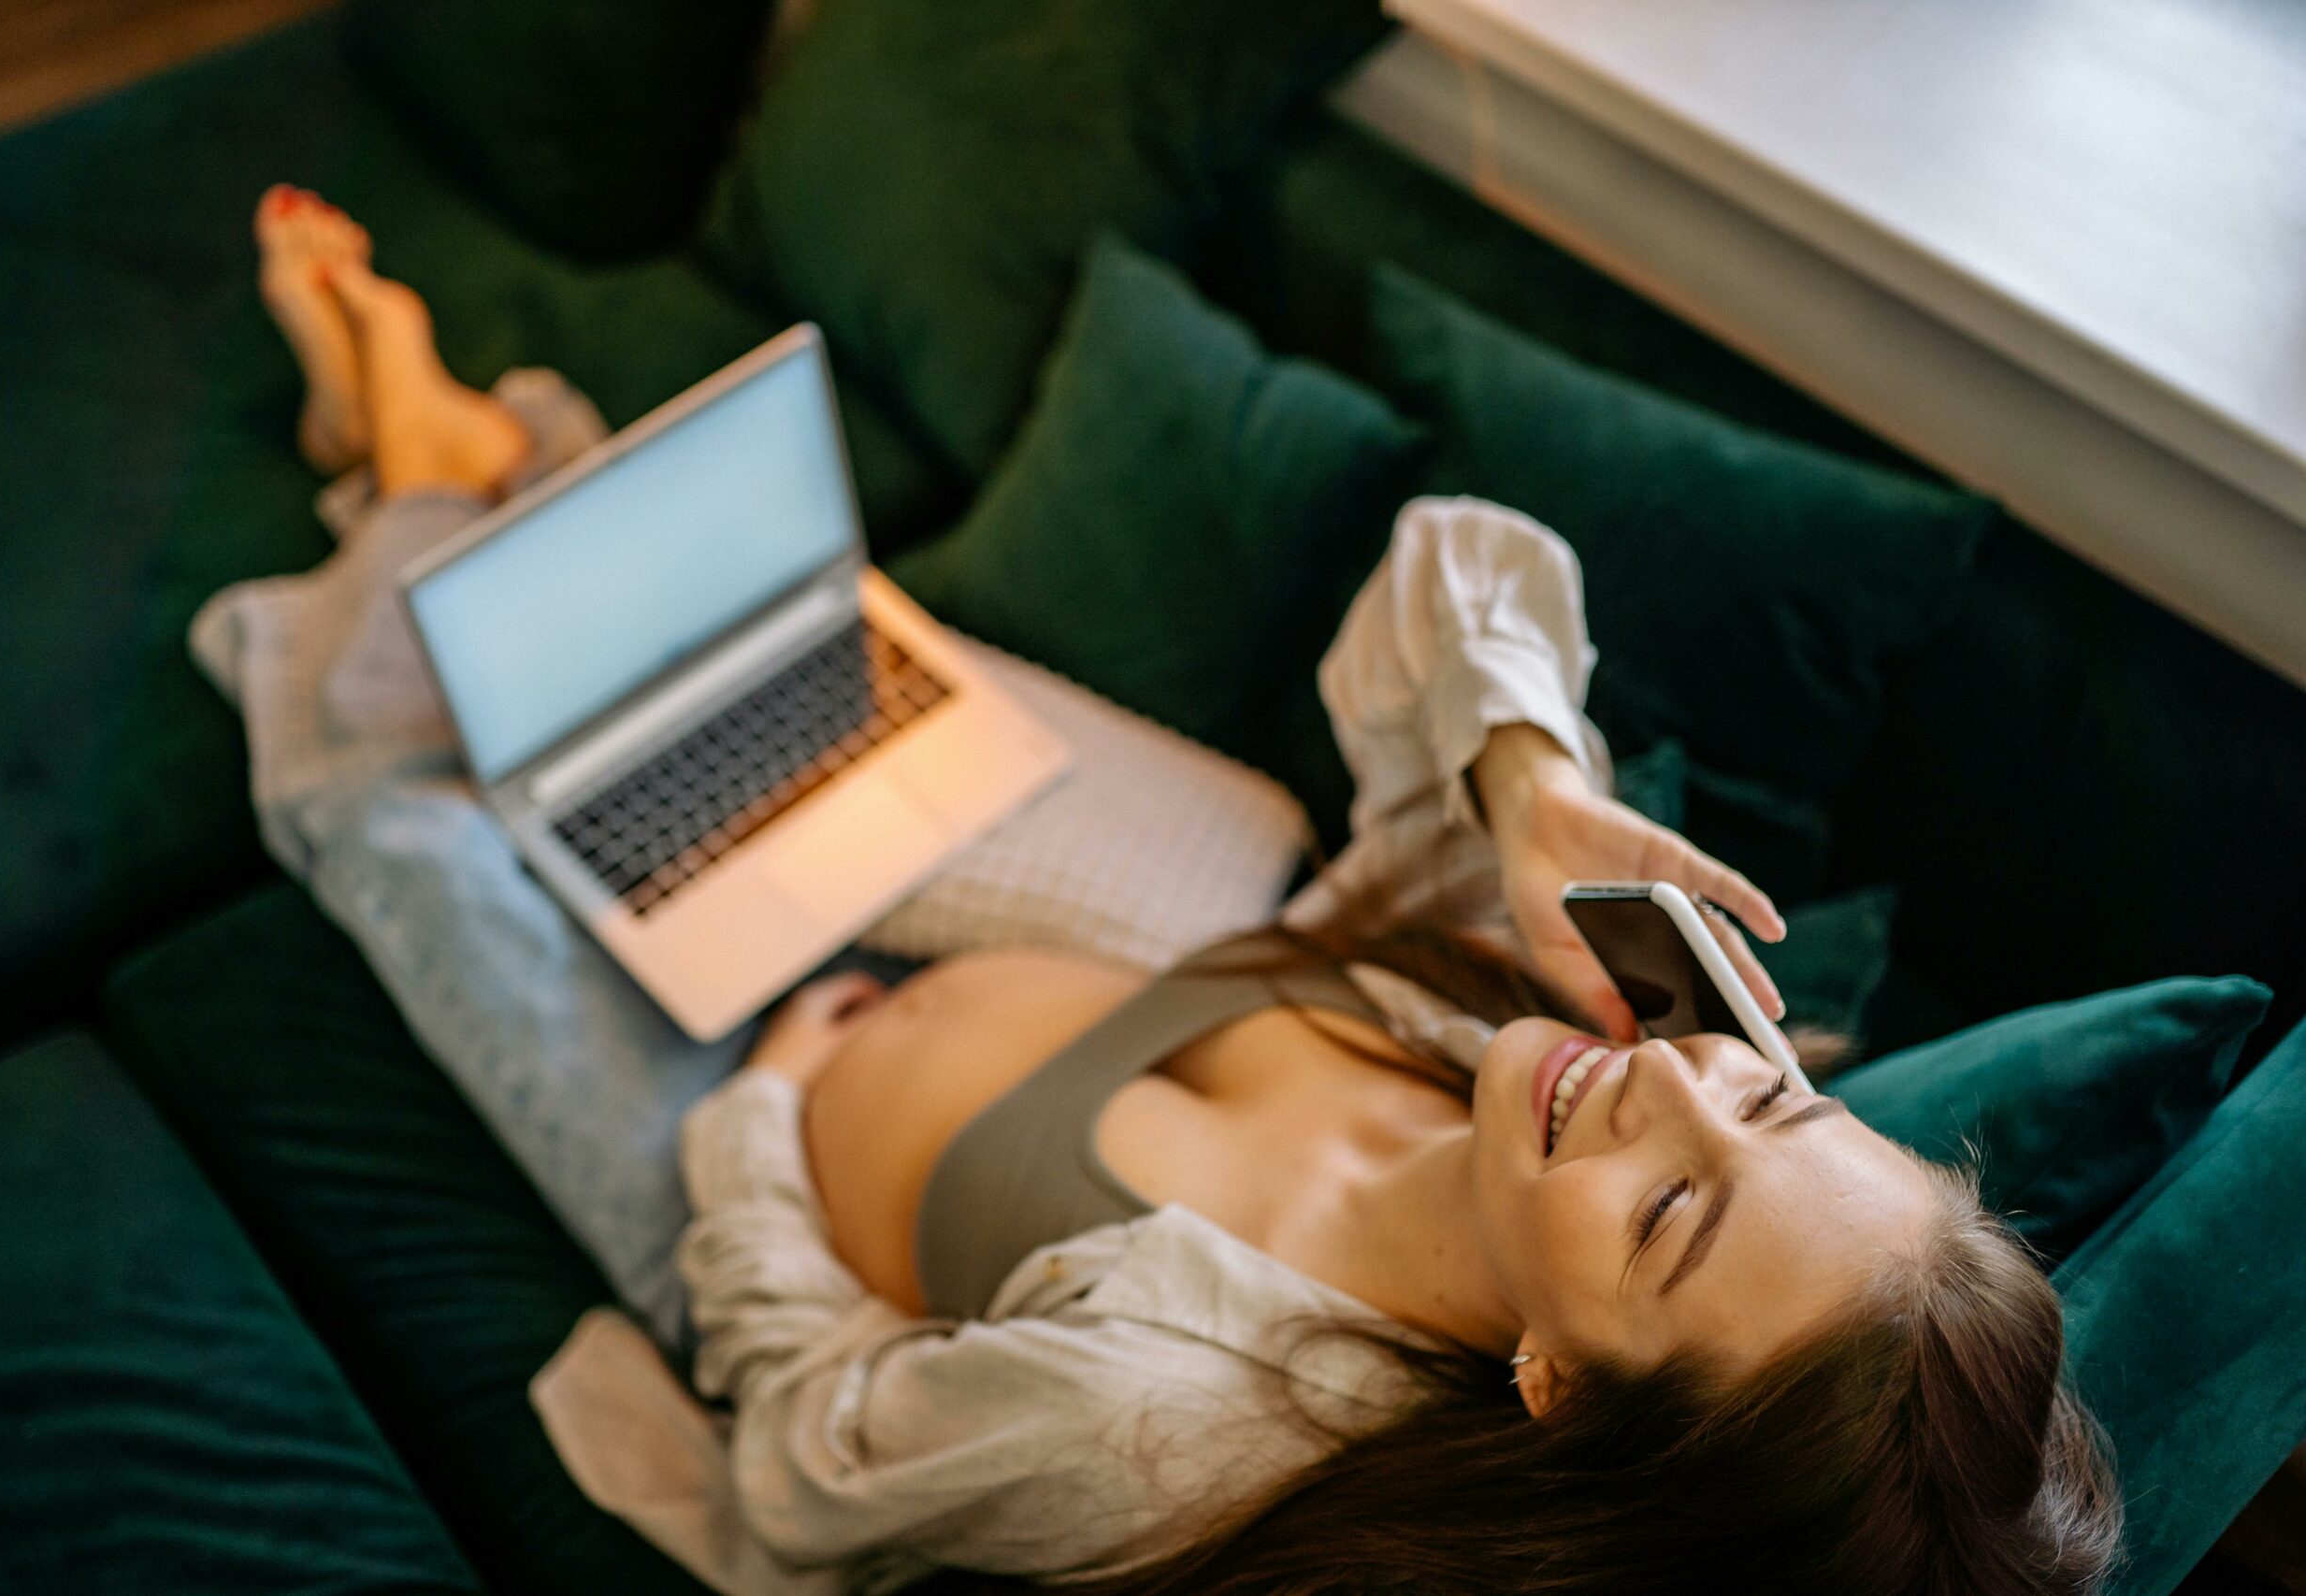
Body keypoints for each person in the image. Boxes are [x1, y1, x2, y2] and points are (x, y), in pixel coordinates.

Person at [247, 186, 2121, 1596]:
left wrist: (758, 1121)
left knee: (385, 806)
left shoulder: (1177, 1422)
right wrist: (1534, 786)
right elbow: (1449, 566)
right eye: (1768, 1095)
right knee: (761, 670)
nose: (1666, 1087)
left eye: (1671, 1223)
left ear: (1560, 1385)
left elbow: (809, 1466)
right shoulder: (1526, 1022)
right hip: (1041, 943)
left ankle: (417, 455)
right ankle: (472, 464)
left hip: (749, 1126)